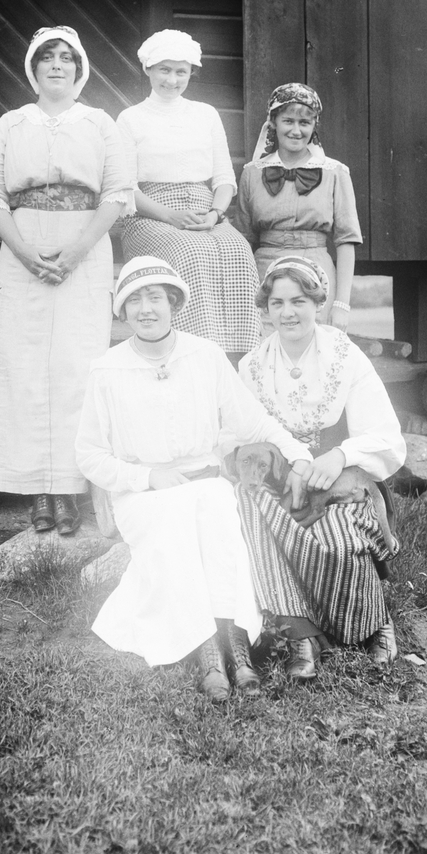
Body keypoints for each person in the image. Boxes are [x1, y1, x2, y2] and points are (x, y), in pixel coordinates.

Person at [75, 257, 313, 702]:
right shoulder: (106, 370)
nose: (146, 309)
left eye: (155, 298)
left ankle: (235, 644)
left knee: (219, 513)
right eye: (134, 301)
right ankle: (208, 653)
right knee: (179, 519)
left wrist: (299, 454)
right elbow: (89, 455)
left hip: (204, 484)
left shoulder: (205, 355)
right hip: (142, 496)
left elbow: (253, 423)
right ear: (122, 311)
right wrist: (147, 476)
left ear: (174, 304)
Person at [0, 25, 132, 536]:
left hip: (83, 252)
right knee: (22, 368)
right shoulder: (12, 123)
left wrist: (76, 251)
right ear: (34, 67)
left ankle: (69, 487)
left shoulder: (100, 123)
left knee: (76, 369)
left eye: (67, 57)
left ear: (80, 68)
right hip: (22, 250)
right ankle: (37, 490)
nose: (58, 65)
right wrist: (25, 254)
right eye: (48, 57)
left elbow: (117, 194)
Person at [235, 256, 407, 680]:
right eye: (277, 303)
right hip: (285, 487)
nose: (288, 313)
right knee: (251, 504)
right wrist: (288, 462)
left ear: (317, 303)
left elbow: (387, 437)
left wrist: (341, 455)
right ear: (266, 308)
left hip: (340, 482)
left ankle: (375, 622)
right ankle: (301, 636)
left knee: (338, 538)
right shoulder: (252, 367)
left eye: (298, 301)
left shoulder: (345, 357)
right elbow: (237, 434)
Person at [116, 29, 261, 359]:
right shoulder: (130, 118)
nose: (172, 80)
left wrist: (215, 213)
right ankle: (196, 354)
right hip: (150, 216)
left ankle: (241, 357)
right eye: (164, 70)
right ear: (148, 69)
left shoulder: (206, 113)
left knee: (238, 250)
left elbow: (224, 179)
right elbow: (126, 188)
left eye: (181, 72)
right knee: (189, 251)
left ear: (191, 73)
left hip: (205, 212)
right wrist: (170, 216)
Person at [234, 83, 362, 330]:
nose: (296, 130)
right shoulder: (252, 173)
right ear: (273, 122)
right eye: (288, 121)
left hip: (316, 272)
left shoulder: (335, 172)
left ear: (314, 126)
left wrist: (341, 305)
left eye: (304, 122)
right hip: (264, 274)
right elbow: (243, 240)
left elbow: (346, 241)